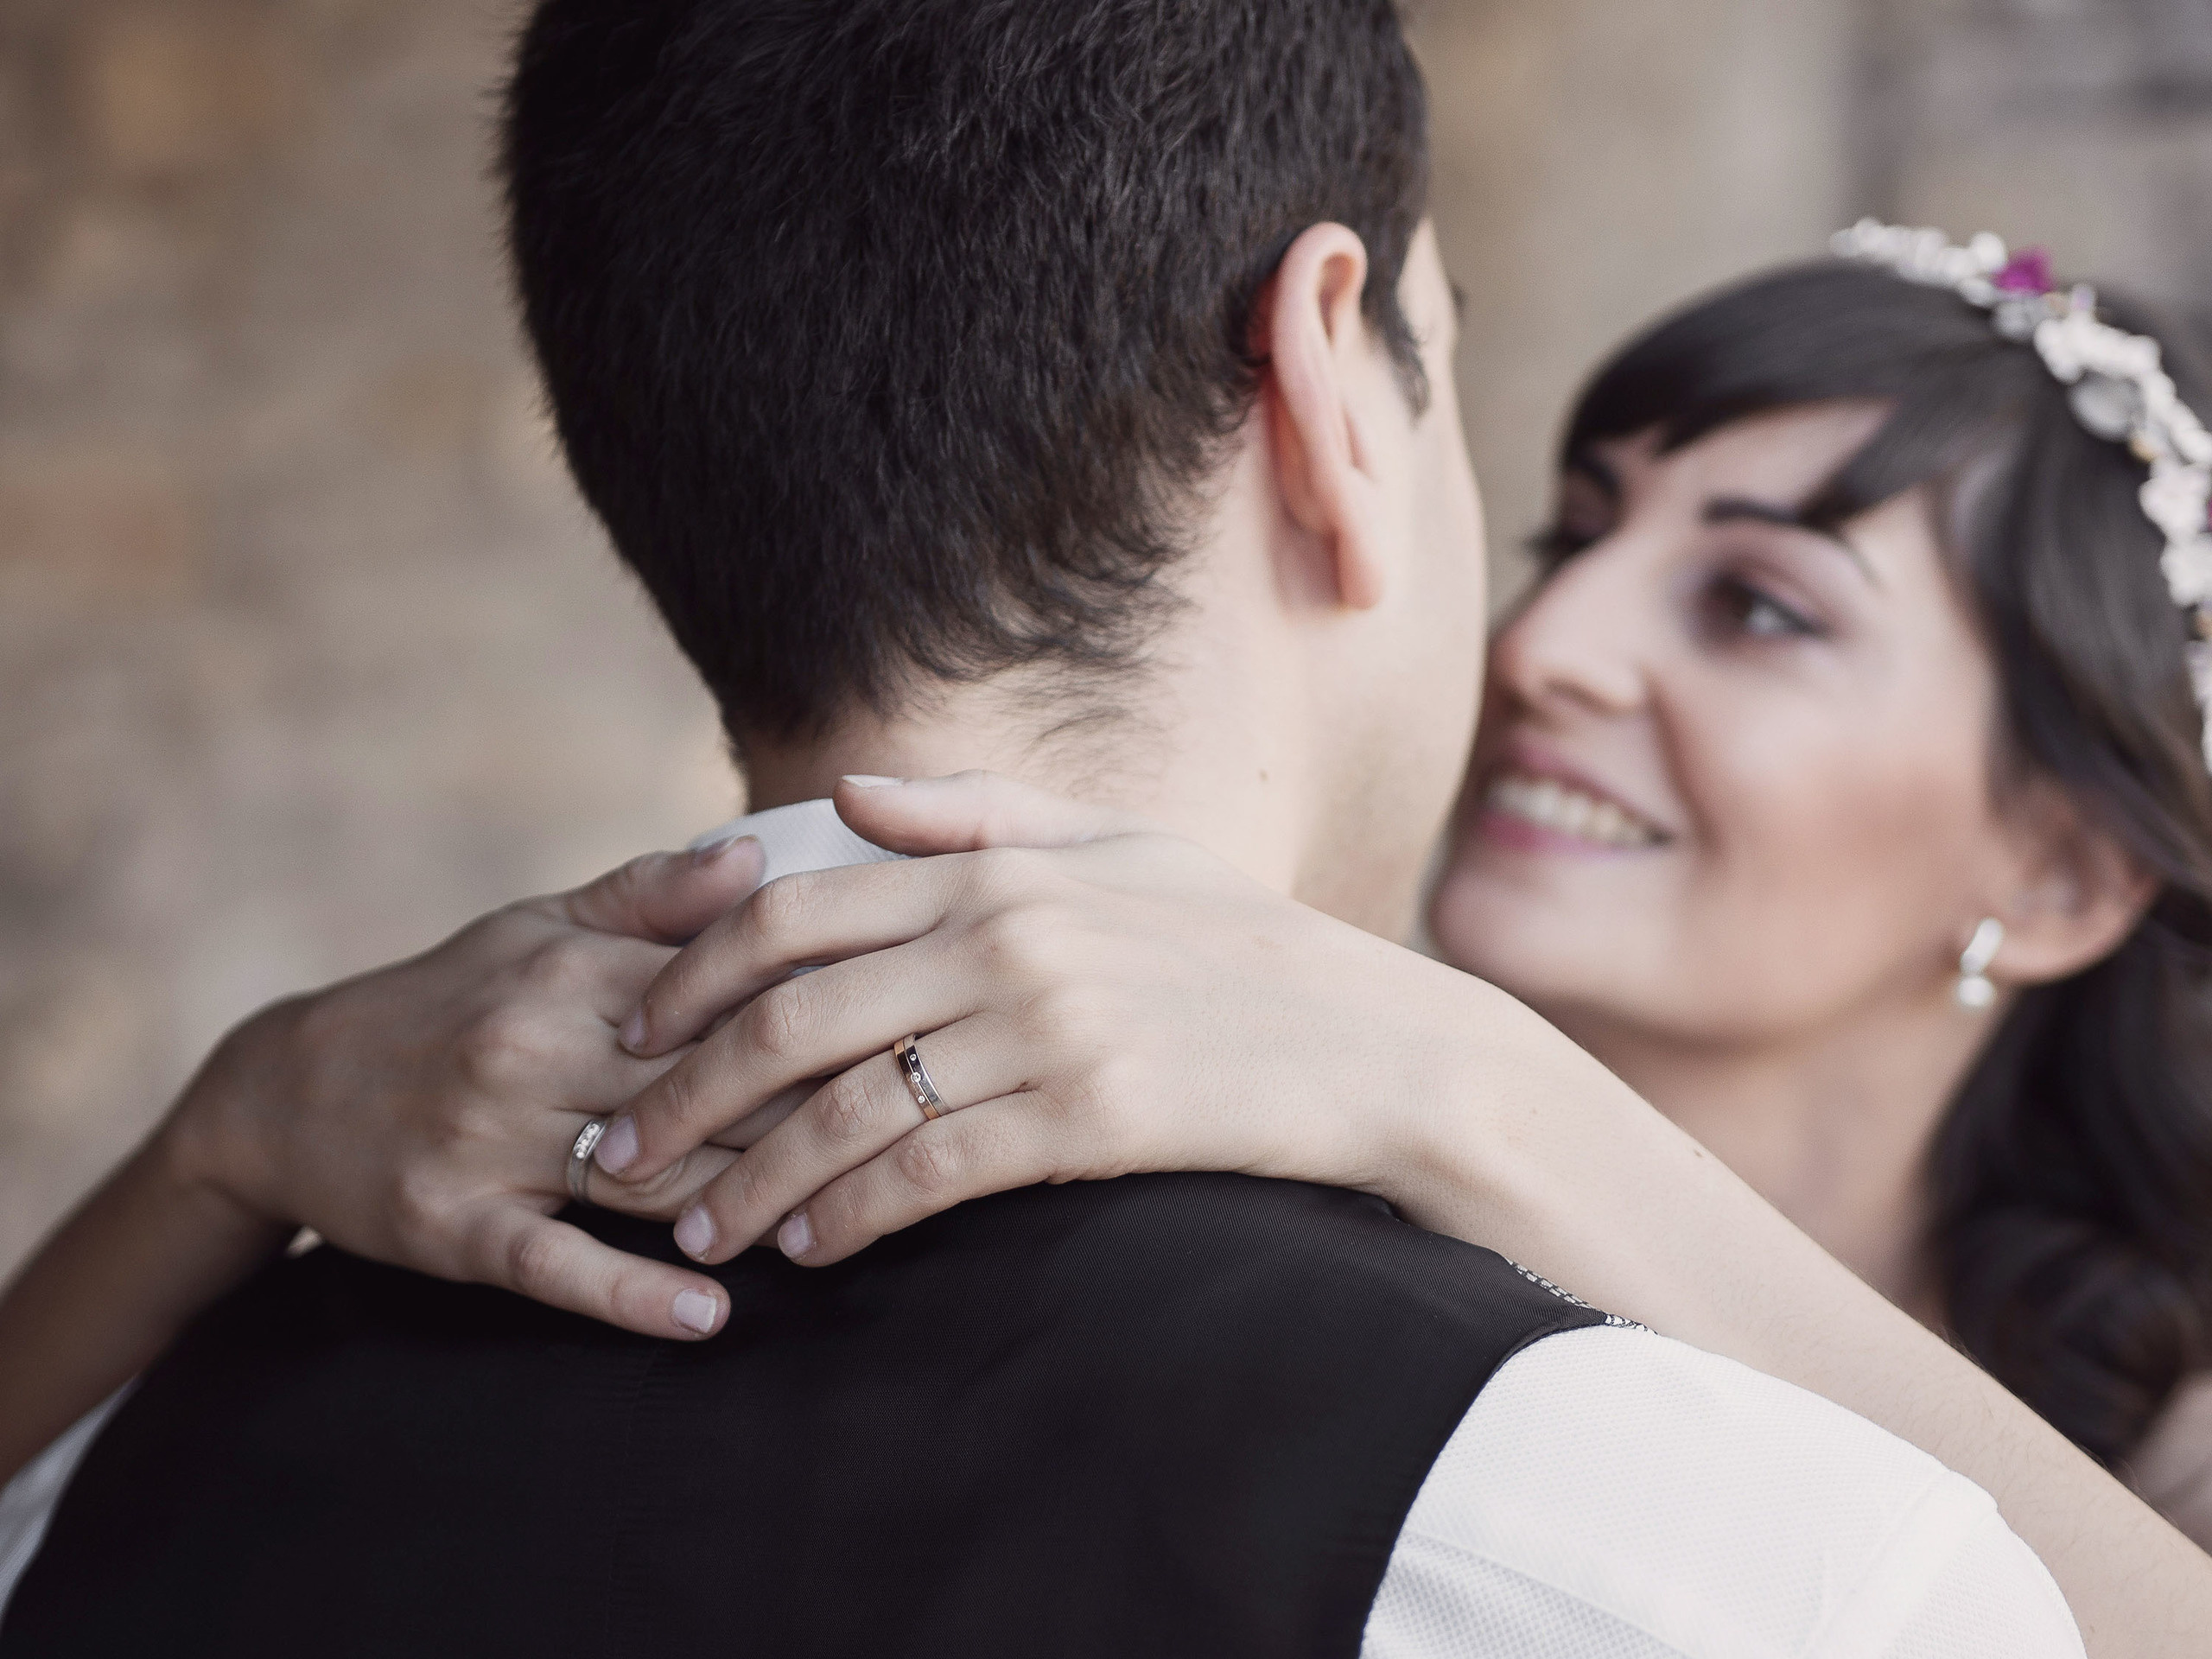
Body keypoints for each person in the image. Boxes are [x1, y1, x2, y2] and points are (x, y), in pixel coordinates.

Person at [0, 1, 2111, 1653]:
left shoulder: (118, 1443)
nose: (1550, 643)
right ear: (1325, 383)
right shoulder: (1714, 1558)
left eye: (1759, 607)